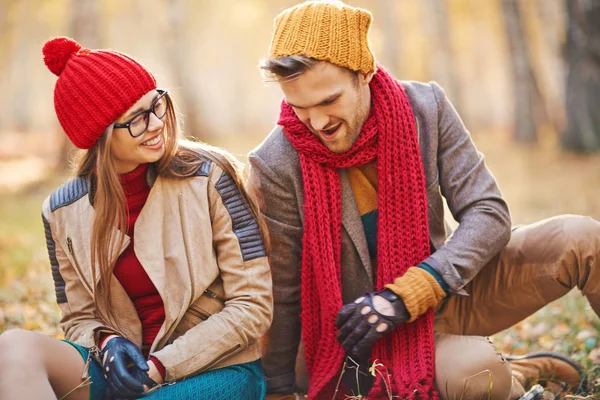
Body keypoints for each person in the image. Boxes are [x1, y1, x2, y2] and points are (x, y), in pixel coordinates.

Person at [247, 1, 599, 399]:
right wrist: (277, 388)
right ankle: (520, 373)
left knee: (583, 238)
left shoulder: (425, 109)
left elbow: (489, 213)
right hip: (359, 337)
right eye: (299, 108)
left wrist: (410, 292)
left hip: (441, 292)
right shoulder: (275, 163)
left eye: (328, 101)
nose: (316, 123)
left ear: (364, 73)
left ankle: (504, 369)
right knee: (476, 375)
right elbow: (284, 288)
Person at [0, 36, 272, 400]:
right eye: (137, 120)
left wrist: (159, 368)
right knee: (14, 347)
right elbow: (77, 318)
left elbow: (252, 304)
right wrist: (106, 340)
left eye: (156, 105)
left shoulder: (210, 177)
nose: (157, 123)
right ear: (101, 136)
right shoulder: (61, 211)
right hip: (118, 374)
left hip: (217, 368)